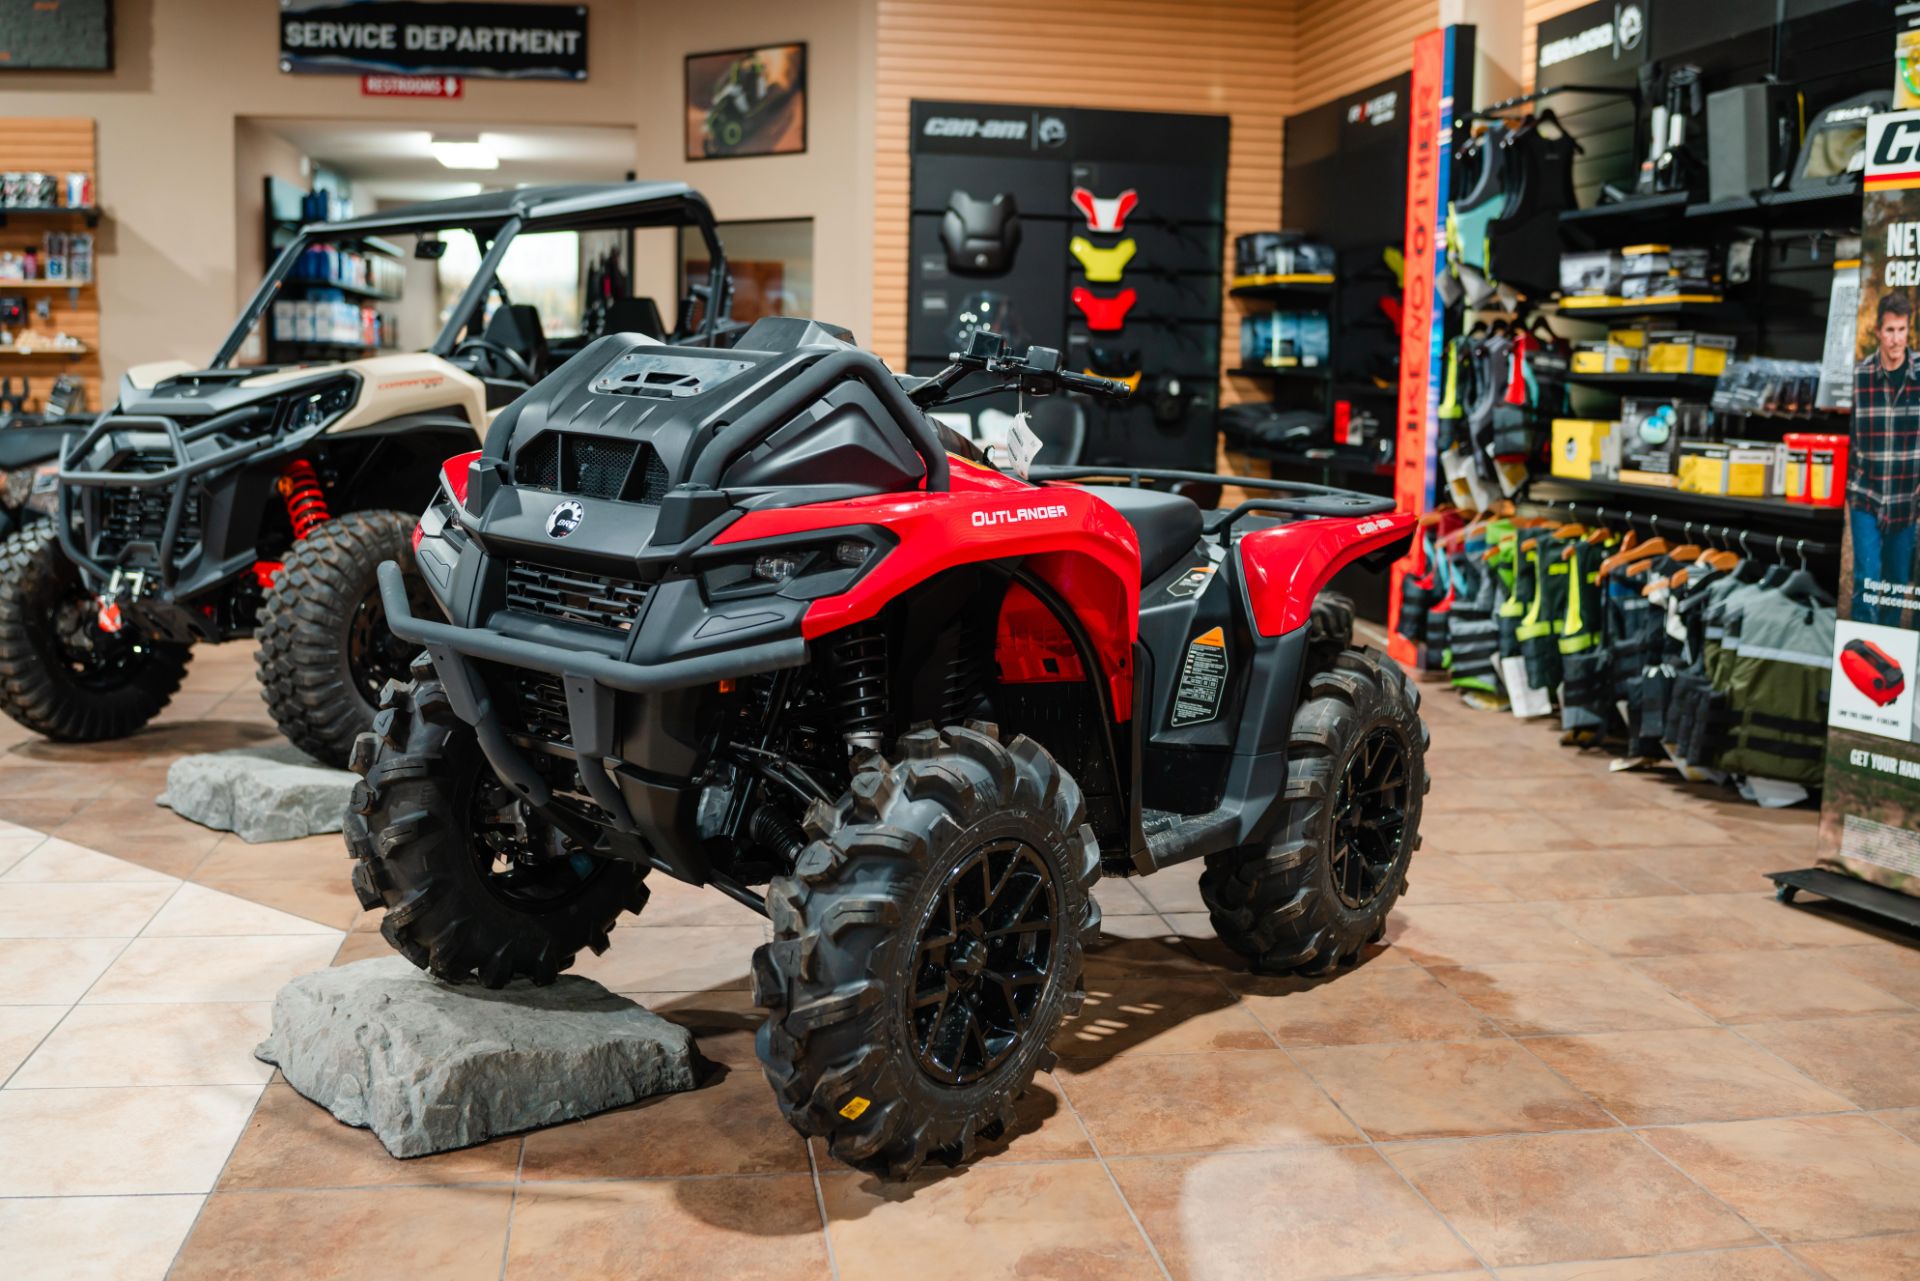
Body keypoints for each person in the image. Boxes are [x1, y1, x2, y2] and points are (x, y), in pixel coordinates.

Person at [1851, 291, 1920, 625]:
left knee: (1894, 585)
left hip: (1907, 498)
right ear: (1878, 331)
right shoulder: (1859, 377)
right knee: (1865, 580)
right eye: (1890, 330)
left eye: (1902, 330)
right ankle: (1861, 648)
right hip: (1866, 493)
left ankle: (1887, 653)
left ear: (1909, 331)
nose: (1896, 339)